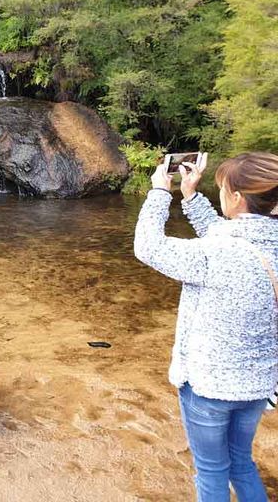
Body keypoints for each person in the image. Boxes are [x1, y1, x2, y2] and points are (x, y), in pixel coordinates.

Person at [134, 151, 278, 501]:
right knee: (241, 463)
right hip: (257, 387)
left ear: (237, 198)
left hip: (209, 387)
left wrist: (159, 193)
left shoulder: (216, 254)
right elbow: (229, 234)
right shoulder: (261, 242)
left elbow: (147, 247)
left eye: (223, 189)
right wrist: (191, 196)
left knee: (212, 472)